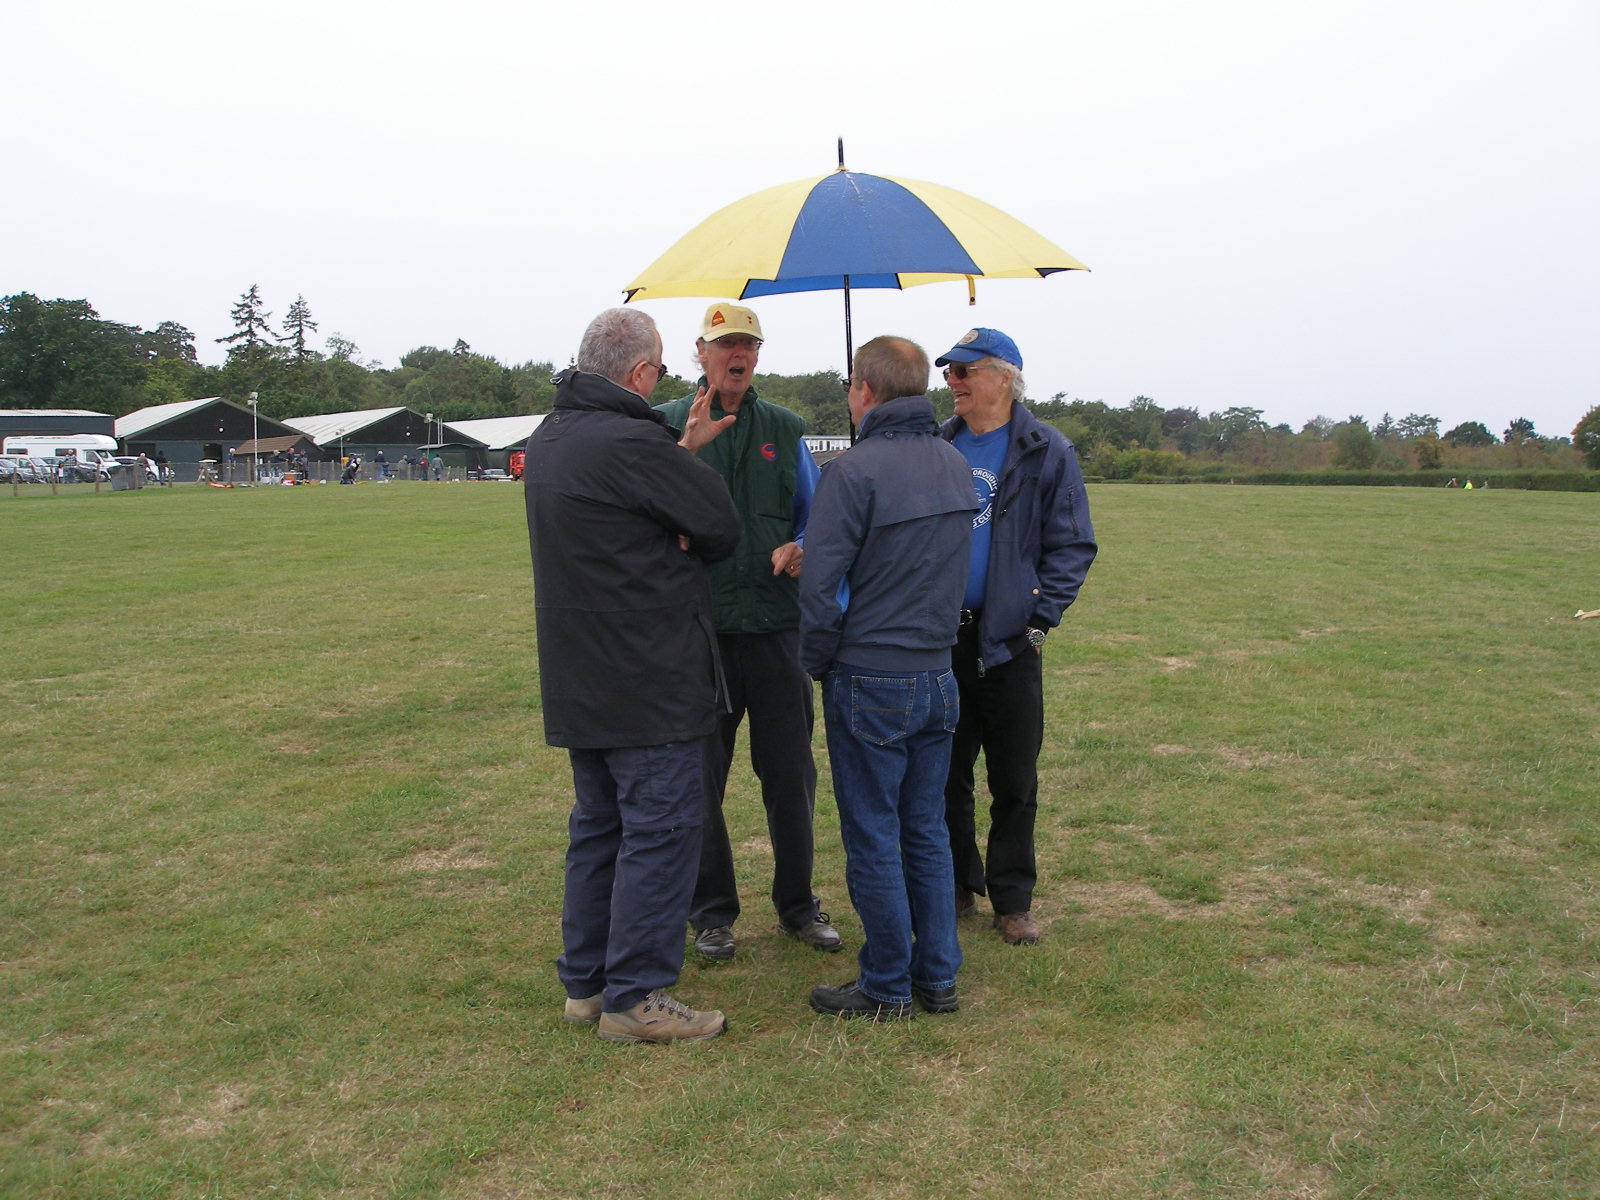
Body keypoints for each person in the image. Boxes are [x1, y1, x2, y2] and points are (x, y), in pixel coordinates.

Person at [524, 306, 741, 1044]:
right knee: (661, 827)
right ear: (642, 372)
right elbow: (718, 524)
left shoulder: (553, 435)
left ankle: (588, 984)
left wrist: (675, 463)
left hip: (582, 671)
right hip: (647, 674)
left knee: (600, 828)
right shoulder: (630, 440)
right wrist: (682, 471)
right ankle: (636, 994)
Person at [653, 302, 841, 962]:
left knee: (790, 774)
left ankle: (798, 906)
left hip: (775, 627)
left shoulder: (784, 429)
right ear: (700, 352)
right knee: (701, 778)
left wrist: (803, 545)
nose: (739, 354)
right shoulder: (664, 424)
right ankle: (711, 913)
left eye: (749, 345)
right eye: (726, 343)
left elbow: (817, 517)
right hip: (697, 633)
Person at [798, 336, 977, 1019]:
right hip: (937, 673)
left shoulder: (852, 472)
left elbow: (820, 589)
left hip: (871, 673)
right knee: (925, 829)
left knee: (874, 832)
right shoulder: (954, 463)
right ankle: (937, 975)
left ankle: (886, 983)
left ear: (865, 391)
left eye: (849, 385)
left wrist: (818, 661)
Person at [936, 328, 1097, 945]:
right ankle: (955, 884)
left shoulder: (1047, 450)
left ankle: (1012, 900)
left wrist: (1038, 618)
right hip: (941, 640)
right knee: (943, 775)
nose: (952, 382)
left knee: (1014, 780)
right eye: (948, 372)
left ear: (1004, 377)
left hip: (1009, 643)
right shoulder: (937, 445)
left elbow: (1073, 544)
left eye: (964, 371)